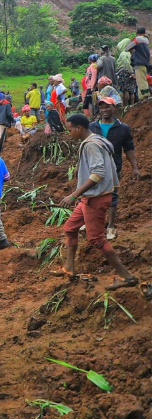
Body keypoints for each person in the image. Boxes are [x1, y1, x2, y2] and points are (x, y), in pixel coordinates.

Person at [55, 114, 138, 290]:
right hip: (91, 198)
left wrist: (74, 195)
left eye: (70, 129)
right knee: (70, 229)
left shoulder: (91, 145)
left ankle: (127, 277)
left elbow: (98, 173)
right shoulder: (97, 140)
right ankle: (69, 268)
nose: (69, 133)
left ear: (79, 128)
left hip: (96, 198)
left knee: (97, 239)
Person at [88, 98, 140, 240]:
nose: (104, 110)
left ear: (114, 109)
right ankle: (92, 222)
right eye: (102, 107)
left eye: (107, 107)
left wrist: (135, 167)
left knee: (112, 195)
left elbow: (129, 148)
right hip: (93, 167)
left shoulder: (123, 129)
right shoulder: (92, 127)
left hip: (113, 167)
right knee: (92, 193)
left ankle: (110, 226)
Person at [124, 26, 149, 98]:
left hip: (139, 63)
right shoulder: (146, 41)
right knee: (143, 80)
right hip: (145, 64)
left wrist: (132, 50)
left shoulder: (137, 39)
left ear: (137, 33)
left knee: (141, 81)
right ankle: (141, 97)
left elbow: (127, 48)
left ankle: (145, 96)